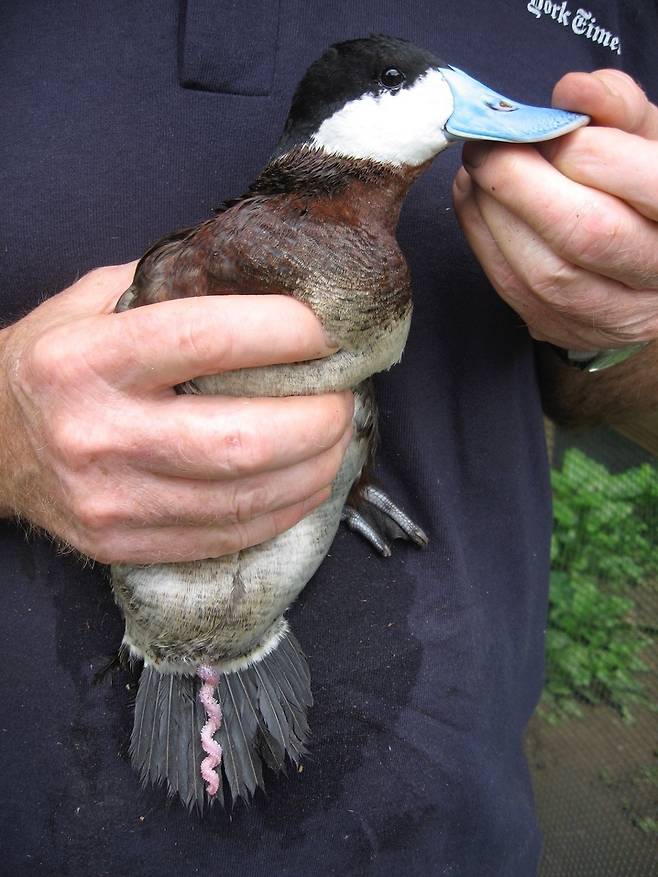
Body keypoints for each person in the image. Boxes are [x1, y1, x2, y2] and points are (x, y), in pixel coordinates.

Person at [0, 3, 656, 874]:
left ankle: (352, 488)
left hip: (441, 822)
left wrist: (630, 323)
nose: (477, 101)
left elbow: (622, 396)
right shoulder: (209, 254)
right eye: (399, 84)